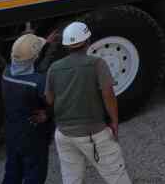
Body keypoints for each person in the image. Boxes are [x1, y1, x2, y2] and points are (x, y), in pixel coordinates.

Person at [44, 21, 131, 184]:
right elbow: (108, 94)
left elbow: (49, 99)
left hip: (63, 134)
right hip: (93, 133)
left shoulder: (54, 67)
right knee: (116, 177)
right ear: (88, 41)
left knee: (71, 179)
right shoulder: (97, 63)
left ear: (66, 46)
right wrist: (114, 121)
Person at [2, 32, 55, 184]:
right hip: (34, 136)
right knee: (35, 174)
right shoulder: (38, 82)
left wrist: (44, 45)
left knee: (12, 171)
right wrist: (48, 114)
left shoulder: (6, 73)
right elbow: (54, 103)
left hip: (13, 133)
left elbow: (27, 63)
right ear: (35, 58)